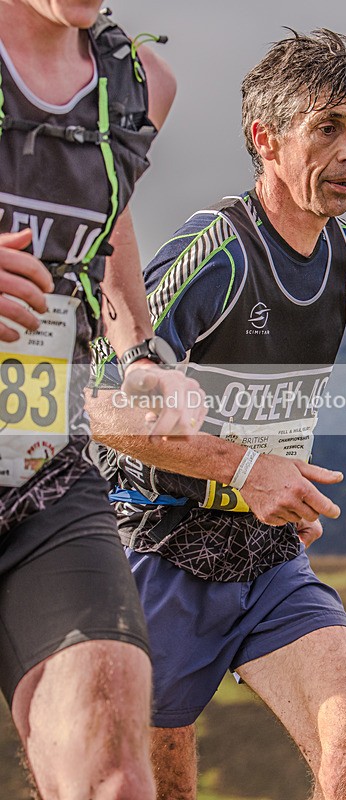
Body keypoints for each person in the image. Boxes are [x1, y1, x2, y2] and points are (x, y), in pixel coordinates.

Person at [88, 28, 346, 800]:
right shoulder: (215, 253)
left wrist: (278, 480)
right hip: (157, 551)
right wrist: (247, 469)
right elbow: (102, 410)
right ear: (265, 139)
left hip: (267, 556)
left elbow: (269, 396)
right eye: (328, 128)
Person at [0, 2, 205, 798]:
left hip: (45, 482)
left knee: (116, 782)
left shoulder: (137, 86)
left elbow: (105, 216)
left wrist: (138, 356)